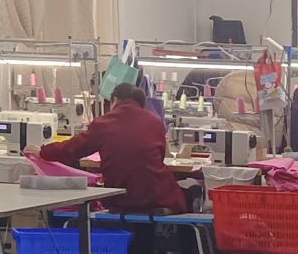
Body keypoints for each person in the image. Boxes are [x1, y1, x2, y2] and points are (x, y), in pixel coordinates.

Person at [37, 82, 196, 211]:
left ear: (114, 99)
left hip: (120, 197)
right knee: (189, 194)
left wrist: (43, 152)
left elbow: (72, 149)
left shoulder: (104, 123)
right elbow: (160, 157)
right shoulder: (155, 122)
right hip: (157, 197)